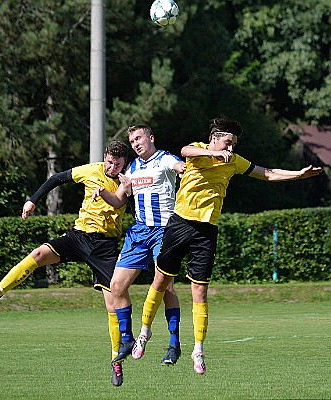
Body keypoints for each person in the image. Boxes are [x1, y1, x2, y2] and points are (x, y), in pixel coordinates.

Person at [134, 116, 323, 376]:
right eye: (227, 142)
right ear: (214, 138)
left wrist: (298, 175)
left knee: (199, 292)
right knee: (160, 281)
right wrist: (212, 153)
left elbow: (266, 173)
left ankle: (198, 350)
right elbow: (184, 151)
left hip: (206, 231)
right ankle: (144, 332)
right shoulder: (197, 151)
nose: (231, 149)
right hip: (179, 224)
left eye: (233, 144)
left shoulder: (233, 161)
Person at [0, 140, 130, 387]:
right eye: (109, 162)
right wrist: (32, 200)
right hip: (79, 237)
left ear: (124, 163)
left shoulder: (126, 181)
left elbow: (119, 201)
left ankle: (116, 362)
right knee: (37, 255)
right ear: (105, 157)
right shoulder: (92, 170)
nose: (111, 167)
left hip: (104, 246)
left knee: (112, 306)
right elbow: (56, 178)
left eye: (117, 164)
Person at [92, 124, 186, 371]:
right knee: (116, 286)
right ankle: (127, 338)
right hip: (139, 233)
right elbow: (118, 200)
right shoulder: (132, 168)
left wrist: (186, 168)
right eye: (132, 141)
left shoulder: (165, 159)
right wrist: (102, 192)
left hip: (165, 231)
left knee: (165, 286)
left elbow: (180, 167)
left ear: (151, 138)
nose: (134, 143)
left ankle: (174, 343)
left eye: (138, 138)